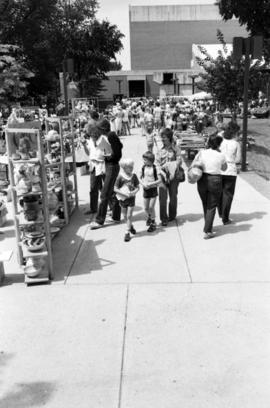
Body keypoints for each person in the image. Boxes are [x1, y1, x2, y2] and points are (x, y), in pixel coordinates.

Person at [89, 119, 122, 229]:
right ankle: (116, 216)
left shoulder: (111, 135)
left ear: (102, 128)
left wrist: (109, 156)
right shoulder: (108, 136)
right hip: (109, 166)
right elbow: (120, 146)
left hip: (112, 166)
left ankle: (99, 220)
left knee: (104, 194)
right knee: (110, 192)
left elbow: (118, 153)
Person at [194, 133, 227, 239]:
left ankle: (208, 225)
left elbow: (197, 163)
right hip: (215, 179)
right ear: (218, 144)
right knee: (212, 206)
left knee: (205, 203)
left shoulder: (202, 152)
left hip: (202, 179)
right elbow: (224, 168)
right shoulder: (221, 155)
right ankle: (207, 230)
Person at [156, 128, 183, 226]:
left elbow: (180, 161)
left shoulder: (176, 149)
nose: (162, 139)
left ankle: (172, 216)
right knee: (162, 198)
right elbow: (157, 163)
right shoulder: (159, 150)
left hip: (174, 176)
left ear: (169, 138)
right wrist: (161, 171)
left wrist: (170, 165)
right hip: (162, 176)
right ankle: (163, 218)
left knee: (173, 197)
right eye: (162, 138)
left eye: (164, 138)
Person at [218, 121, 241, 225]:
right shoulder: (236, 144)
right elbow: (238, 159)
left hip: (219, 168)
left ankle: (220, 212)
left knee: (219, 192)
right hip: (231, 169)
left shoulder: (219, 140)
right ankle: (225, 217)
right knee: (228, 194)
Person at [114, 158, 139, 242]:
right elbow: (115, 188)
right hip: (123, 199)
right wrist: (123, 194)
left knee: (129, 216)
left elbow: (138, 187)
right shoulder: (120, 177)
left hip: (131, 199)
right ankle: (130, 226)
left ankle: (127, 232)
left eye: (132, 166)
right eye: (129, 167)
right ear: (124, 167)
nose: (131, 168)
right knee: (125, 216)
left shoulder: (134, 176)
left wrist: (134, 192)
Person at [140, 151, 161, 232]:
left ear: (150, 160)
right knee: (146, 208)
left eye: (145, 160)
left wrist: (151, 184)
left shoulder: (156, 168)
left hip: (153, 190)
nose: (143, 161)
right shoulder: (143, 167)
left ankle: (153, 223)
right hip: (145, 189)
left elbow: (159, 180)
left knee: (151, 207)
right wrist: (143, 183)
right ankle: (149, 217)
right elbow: (139, 177)